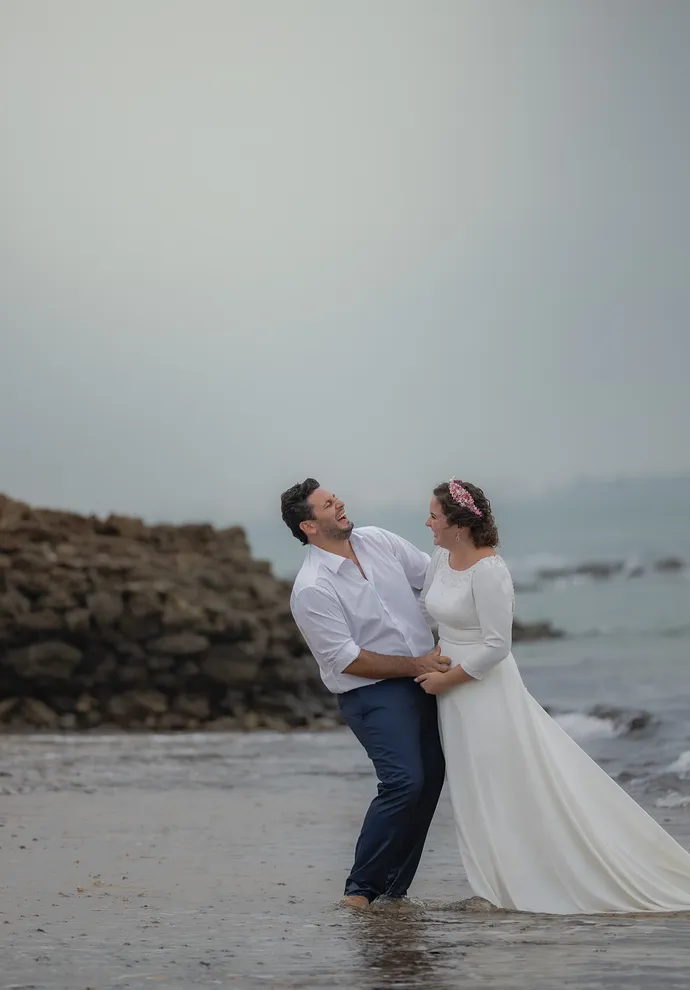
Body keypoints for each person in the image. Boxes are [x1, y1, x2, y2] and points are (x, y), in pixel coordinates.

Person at [416, 478, 690, 913]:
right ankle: (490, 882)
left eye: (434, 515)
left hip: (484, 691)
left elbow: (496, 645)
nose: (427, 522)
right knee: (472, 785)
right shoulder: (439, 559)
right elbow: (435, 617)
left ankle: (513, 883)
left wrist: (446, 680)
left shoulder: (489, 570)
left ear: (459, 524)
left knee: (503, 781)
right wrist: (433, 656)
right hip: (452, 690)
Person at [280, 478, 447, 910]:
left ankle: (393, 891)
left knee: (429, 781)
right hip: (372, 695)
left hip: (424, 681)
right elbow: (345, 658)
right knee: (403, 782)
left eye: (335, 498)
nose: (339, 505)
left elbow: (433, 578)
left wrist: (456, 628)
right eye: (327, 504)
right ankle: (359, 890)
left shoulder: (378, 541)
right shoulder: (313, 587)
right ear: (308, 527)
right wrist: (417, 664)